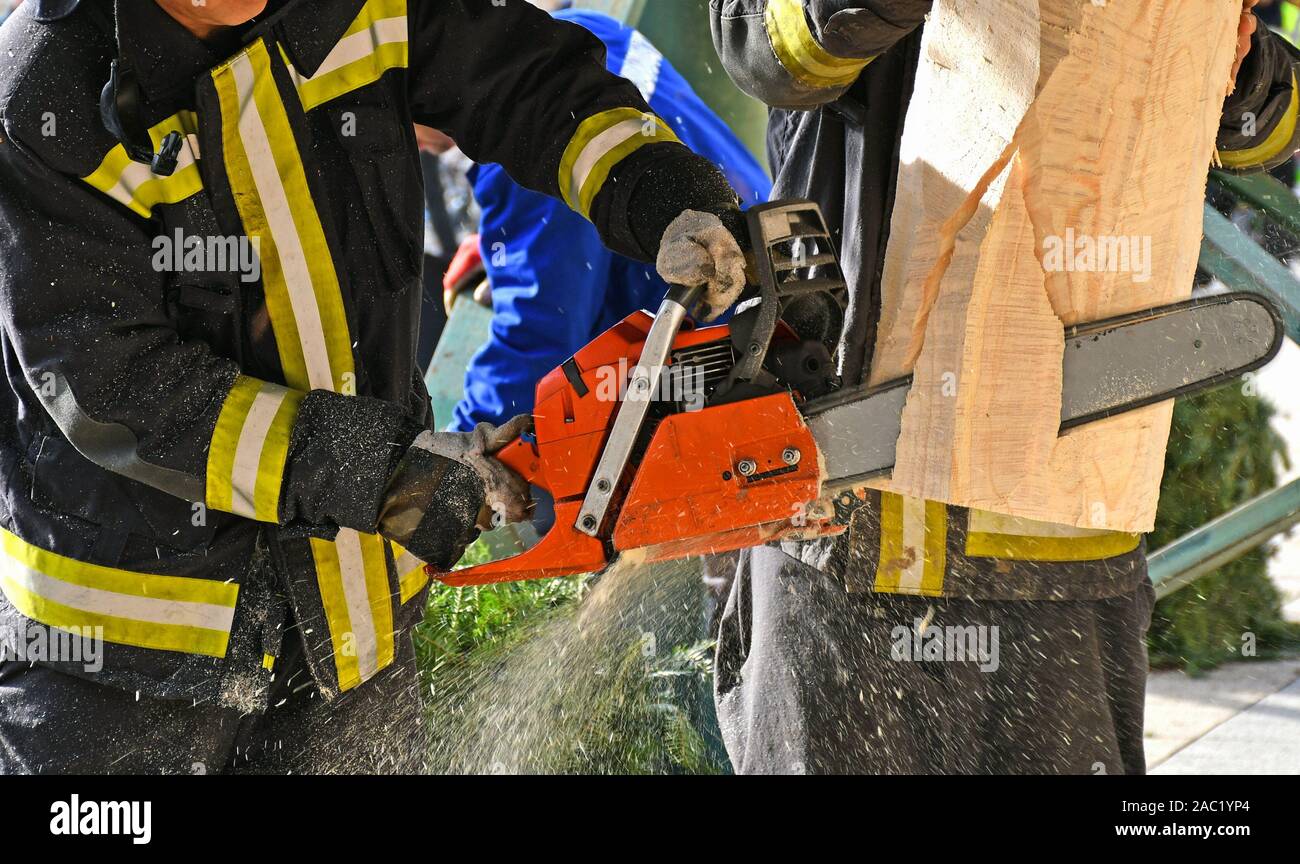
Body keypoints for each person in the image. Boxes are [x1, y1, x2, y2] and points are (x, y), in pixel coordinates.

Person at [0, 0, 748, 773]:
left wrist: (648, 183)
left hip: (352, 625)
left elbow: (522, 80)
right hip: (124, 665)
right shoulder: (43, 90)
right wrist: (383, 470)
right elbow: (117, 386)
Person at [708, 0, 1300, 774]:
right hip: (853, 499)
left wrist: (1246, 74)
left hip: (1074, 519)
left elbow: (1269, 127)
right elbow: (760, 46)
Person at [445, 8, 772, 434]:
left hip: (709, 387)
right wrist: (501, 245)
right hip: (758, 310)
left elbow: (540, 347)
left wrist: (457, 455)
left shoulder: (522, 158)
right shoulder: (582, 35)